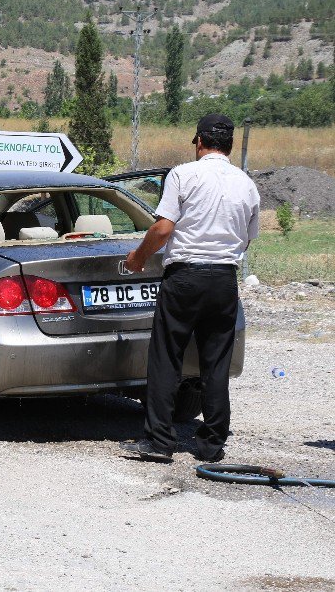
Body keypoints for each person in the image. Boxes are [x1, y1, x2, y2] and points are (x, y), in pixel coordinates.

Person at [120, 113, 260, 463]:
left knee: (167, 357)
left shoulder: (184, 175)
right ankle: (212, 443)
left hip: (184, 277)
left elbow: (164, 229)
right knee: (216, 362)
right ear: (228, 146)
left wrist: (138, 256)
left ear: (199, 142)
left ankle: (159, 441)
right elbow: (248, 238)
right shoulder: (247, 184)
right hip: (224, 279)